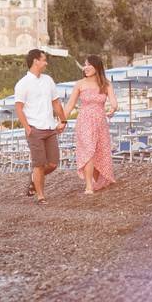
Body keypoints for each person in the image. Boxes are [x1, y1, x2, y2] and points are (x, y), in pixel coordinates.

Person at [15, 48, 67, 205]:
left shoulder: (48, 80)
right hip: (34, 129)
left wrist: (63, 120)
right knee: (38, 164)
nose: (46, 62)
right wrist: (27, 128)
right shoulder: (22, 84)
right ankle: (41, 196)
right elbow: (19, 108)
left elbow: (56, 103)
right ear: (35, 61)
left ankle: (34, 180)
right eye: (43, 60)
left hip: (50, 128)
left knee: (52, 164)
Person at [64, 55, 117, 194]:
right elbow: (70, 105)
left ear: (97, 67)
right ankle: (88, 186)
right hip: (84, 121)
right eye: (84, 64)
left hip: (100, 122)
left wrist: (112, 109)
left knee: (99, 152)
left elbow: (113, 102)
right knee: (88, 151)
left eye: (89, 65)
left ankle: (97, 181)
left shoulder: (106, 84)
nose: (85, 67)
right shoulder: (80, 84)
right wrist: (61, 121)